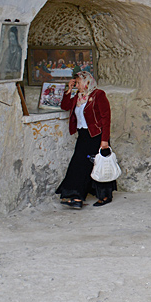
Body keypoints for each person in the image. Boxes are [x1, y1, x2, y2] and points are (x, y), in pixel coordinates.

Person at [55, 71, 116, 208]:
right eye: (75, 82)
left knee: (99, 163)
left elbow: (106, 118)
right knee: (79, 164)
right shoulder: (78, 97)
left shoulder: (98, 95)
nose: (76, 85)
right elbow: (65, 106)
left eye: (78, 82)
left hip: (96, 136)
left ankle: (105, 195)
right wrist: (69, 90)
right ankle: (74, 195)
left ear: (86, 82)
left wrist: (104, 140)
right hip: (83, 135)